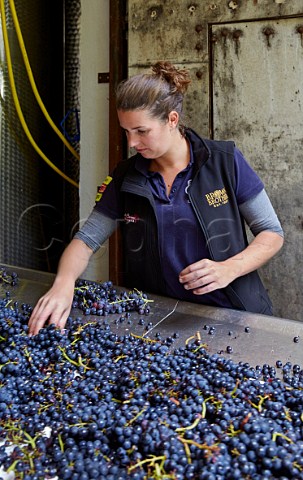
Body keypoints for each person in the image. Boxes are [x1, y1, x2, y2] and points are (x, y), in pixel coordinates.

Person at [28, 61, 284, 335]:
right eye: (126, 131)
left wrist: (230, 268)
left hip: (233, 317)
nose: (131, 143)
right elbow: (86, 240)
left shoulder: (224, 162)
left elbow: (271, 233)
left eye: (141, 131)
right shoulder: (126, 178)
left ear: (172, 120)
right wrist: (63, 284)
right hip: (160, 321)